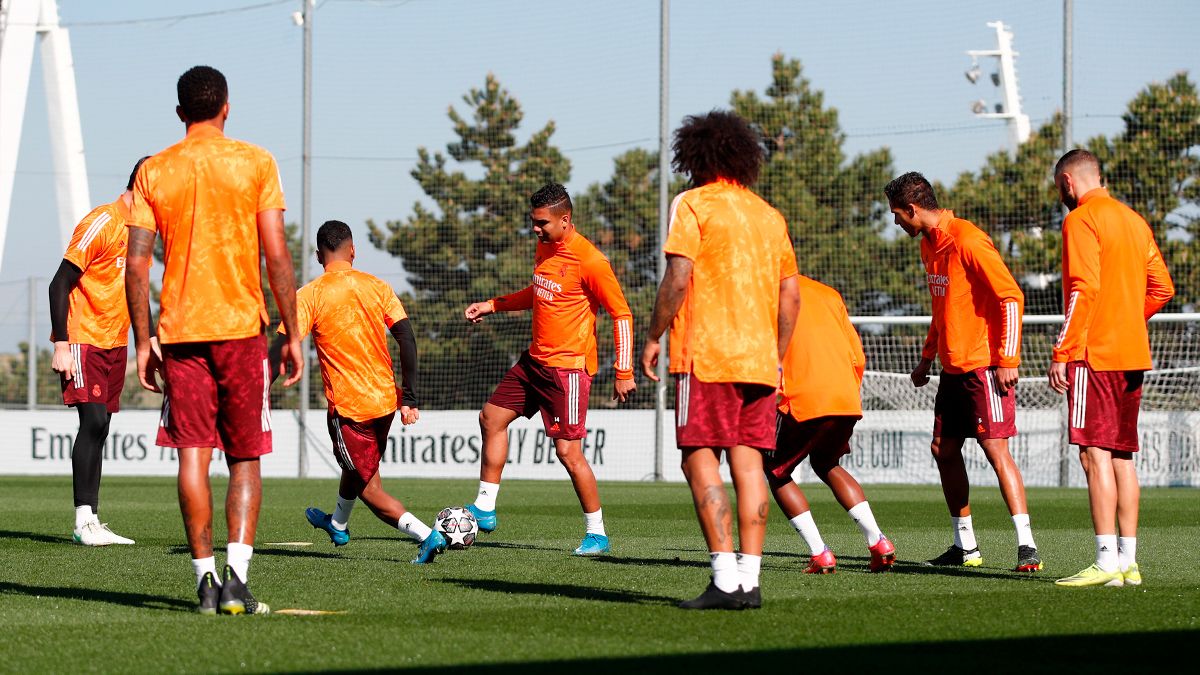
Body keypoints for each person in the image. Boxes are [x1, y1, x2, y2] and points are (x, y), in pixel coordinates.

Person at [126, 66, 303, 616]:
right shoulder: (255, 161)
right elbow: (276, 254)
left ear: (180, 112)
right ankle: (237, 582)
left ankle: (203, 583)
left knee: (192, 457)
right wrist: (293, 331)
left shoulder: (154, 170)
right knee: (246, 455)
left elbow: (136, 266)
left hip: (179, 332)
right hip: (240, 331)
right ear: (227, 105)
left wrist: (142, 339)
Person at [641, 110, 800, 610]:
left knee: (698, 457)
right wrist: (776, 355)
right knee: (749, 462)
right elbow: (790, 296)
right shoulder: (768, 215)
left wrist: (653, 335)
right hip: (758, 361)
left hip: (705, 356)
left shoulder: (693, 203)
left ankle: (724, 579)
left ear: (693, 155)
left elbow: (678, 277)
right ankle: (750, 583)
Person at [463, 183, 635, 555]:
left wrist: (624, 369)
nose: (535, 229)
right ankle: (486, 508)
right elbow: (540, 291)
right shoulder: (545, 246)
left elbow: (621, 314)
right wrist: (493, 305)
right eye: (533, 222)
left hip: (567, 372)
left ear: (565, 220)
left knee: (568, 453)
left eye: (541, 223)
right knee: (490, 418)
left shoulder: (590, 261)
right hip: (534, 362)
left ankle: (597, 533)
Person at [884, 171, 1041, 573]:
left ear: (913, 209)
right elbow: (942, 308)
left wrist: (1008, 360)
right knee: (944, 450)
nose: (896, 222)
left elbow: (1011, 297)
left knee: (994, 450)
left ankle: (1027, 546)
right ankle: (965, 546)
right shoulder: (929, 247)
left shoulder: (968, 239)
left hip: (985, 367)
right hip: (952, 370)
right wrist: (926, 357)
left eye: (897, 214)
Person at [270, 220, 446, 564]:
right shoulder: (377, 286)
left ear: (319, 255)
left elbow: (279, 349)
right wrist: (409, 397)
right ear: (353, 251)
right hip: (385, 403)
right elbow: (406, 339)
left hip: (352, 410)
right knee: (356, 468)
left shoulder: (310, 295)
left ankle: (428, 535)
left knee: (369, 487)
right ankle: (337, 523)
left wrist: (257, 394)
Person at [1049, 150, 1174, 588]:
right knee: (1122, 457)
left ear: (1067, 182)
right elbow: (1163, 288)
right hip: (1132, 354)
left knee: (1093, 454)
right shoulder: (1135, 221)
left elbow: (1083, 288)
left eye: (1058, 188)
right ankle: (1128, 563)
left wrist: (1063, 350)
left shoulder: (1080, 219)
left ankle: (1105, 562)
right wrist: (1126, 318)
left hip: (1094, 355)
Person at [49, 157, 149, 547]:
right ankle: (82, 520)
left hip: (115, 342)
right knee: (91, 422)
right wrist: (61, 342)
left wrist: (148, 341)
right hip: (82, 339)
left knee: (102, 426)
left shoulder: (141, 233)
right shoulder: (102, 221)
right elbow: (59, 283)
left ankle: (91, 518)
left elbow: (137, 289)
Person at [766, 275, 895, 575]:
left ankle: (819, 553)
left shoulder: (765, 291)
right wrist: (847, 393)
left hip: (803, 397)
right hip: (845, 396)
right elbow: (856, 354)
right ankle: (878, 542)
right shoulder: (828, 293)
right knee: (827, 463)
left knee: (776, 470)